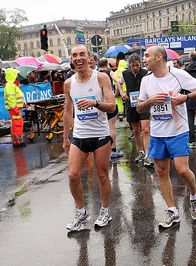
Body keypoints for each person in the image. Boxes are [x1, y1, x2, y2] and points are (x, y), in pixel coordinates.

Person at [136, 45, 196, 228]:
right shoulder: (146, 81)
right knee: (161, 171)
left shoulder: (178, 74)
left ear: (159, 57)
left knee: (182, 170)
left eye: (146, 56)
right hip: (158, 132)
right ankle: (172, 211)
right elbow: (139, 108)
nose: (144, 59)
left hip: (178, 129)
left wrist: (185, 98)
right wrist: (151, 101)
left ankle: (194, 196)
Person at [63, 44, 116, 231]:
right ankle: (81, 212)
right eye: (74, 55)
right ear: (72, 59)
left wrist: (95, 103)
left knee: (102, 174)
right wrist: (65, 137)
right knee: (73, 175)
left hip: (100, 134)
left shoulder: (101, 78)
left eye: (82, 54)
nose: (78, 58)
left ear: (89, 58)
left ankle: (105, 210)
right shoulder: (69, 83)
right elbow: (68, 111)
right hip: (79, 135)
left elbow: (112, 107)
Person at [117, 53, 153, 167]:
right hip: (131, 105)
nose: (135, 68)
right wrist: (122, 93)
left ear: (140, 64)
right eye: (133, 66)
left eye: (137, 65)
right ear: (130, 65)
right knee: (136, 131)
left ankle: (148, 155)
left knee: (146, 130)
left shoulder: (145, 73)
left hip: (143, 104)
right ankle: (141, 152)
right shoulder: (125, 73)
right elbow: (119, 82)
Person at [98, 57, 123, 158]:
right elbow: (119, 81)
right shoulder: (109, 73)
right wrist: (116, 93)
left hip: (100, 104)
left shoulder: (96, 74)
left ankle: (102, 149)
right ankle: (113, 148)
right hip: (109, 102)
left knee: (101, 127)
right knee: (112, 127)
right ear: (107, 64)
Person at [4, 68, 27, 147]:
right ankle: (17, 142)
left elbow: (16, 98)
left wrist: (22, 104)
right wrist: (15, 109)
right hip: (14, 109)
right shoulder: (10, 86)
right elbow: (11, 99)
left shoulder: (13, 85)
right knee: (18, 125)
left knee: (16, 124)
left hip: (15, 108)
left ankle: (16, 141)